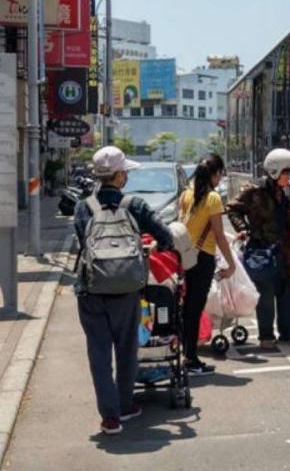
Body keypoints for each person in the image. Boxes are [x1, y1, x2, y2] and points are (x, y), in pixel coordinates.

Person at [73, 146, 174, 436]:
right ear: (118, 175)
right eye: (125, 171)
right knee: (127, 349)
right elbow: (166, 237)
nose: (126, 175)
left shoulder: (83, 207)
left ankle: (110, 417)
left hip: (91, 290)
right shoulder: (135, 205)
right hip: (128, 290)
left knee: (99, 351)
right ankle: (126, 405)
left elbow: (84, 242)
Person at [227, 148, 290, 350]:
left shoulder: (287, 191)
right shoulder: (254, 190)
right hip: (261, 250)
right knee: (265, 294)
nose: (289, 177)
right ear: (274, 171)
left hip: (286, 251)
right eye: (286, 173)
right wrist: (243, 228)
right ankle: (266, 336)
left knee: (289, 292)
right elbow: (232, 209)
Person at [178, 154, 237, 375]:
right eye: (220, 173)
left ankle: (186, 353)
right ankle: (191, 360)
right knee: (194, 308)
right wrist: (231, 264)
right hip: (202, 258)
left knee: (187, 308)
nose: (221, 177)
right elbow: (220, 235)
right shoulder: (213, 199)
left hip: (185, 256)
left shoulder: (186, 194)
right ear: (213, 173)